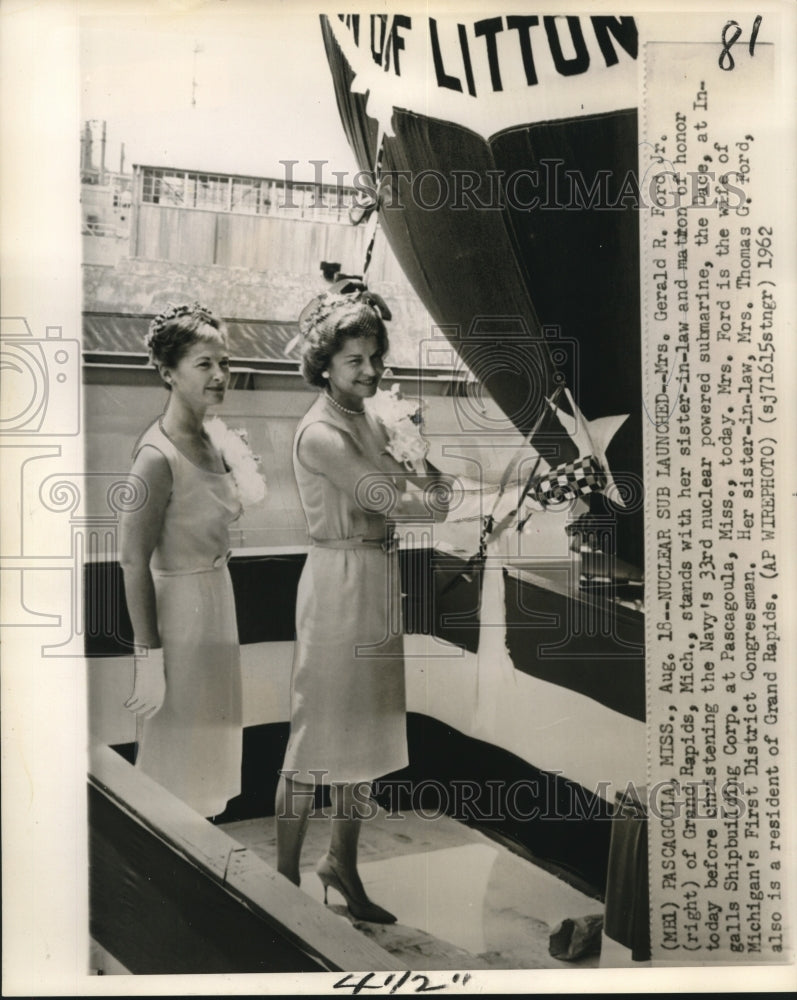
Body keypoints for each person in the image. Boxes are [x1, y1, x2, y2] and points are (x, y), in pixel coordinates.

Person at [275, 281, 451, 923]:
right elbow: (386, 498)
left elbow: (438, 499)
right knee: (314, 736)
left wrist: (421, 455)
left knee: (369, 738)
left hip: (379, 578)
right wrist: (415, 472)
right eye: (356, 361)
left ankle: (340, 863)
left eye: (376, 358)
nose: (372, 371)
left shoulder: (375, 418)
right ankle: (283, 879)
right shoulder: (320, 433)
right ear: (324, 364)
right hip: (337, 581)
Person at [119, 302, 245, 819]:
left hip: (217, 605)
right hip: (179, 617)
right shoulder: (156, 456)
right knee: (174, 758)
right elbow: (131, 561)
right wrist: (148, 658)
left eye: (225, 364)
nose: (219, 376)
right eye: (204, 365)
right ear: (168, 373)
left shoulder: (215, 440)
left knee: (209, 756)